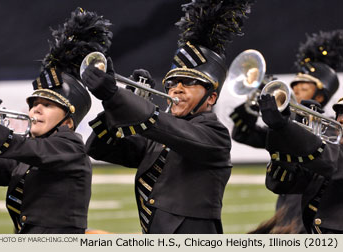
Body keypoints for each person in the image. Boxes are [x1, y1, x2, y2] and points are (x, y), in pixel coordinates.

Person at [84, 0, 255, 234]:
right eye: (172, 83)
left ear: (212, 97)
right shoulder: (157, 138)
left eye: (190, 82)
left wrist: (116, 97)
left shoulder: (215, 136)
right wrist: (117, 103)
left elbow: (166, 127)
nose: (177, 89)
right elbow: (98, 147)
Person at [0, 7, 112, 234]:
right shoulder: (27, 157)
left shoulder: (70, 148)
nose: (37, 108)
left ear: (68, 121)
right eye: (34, 104)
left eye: (47, 105)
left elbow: (20, 146)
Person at [229, 30, 342, 233]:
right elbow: (244, 135)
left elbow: (328, 159)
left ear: (321, 94)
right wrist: (256, 112)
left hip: (318, 216)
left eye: (304, 87)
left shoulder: (333, 131)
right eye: (295, 86)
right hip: (288, 207)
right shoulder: (291, 122)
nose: (296, 91)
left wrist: (286, 127)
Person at [258, 91, 343, 233]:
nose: (340, 120)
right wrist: (280, 131)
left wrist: (288, 128)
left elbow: (329, 163)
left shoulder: (331, 156)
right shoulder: (331, 153)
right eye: (340, 114)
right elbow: (282, 183)